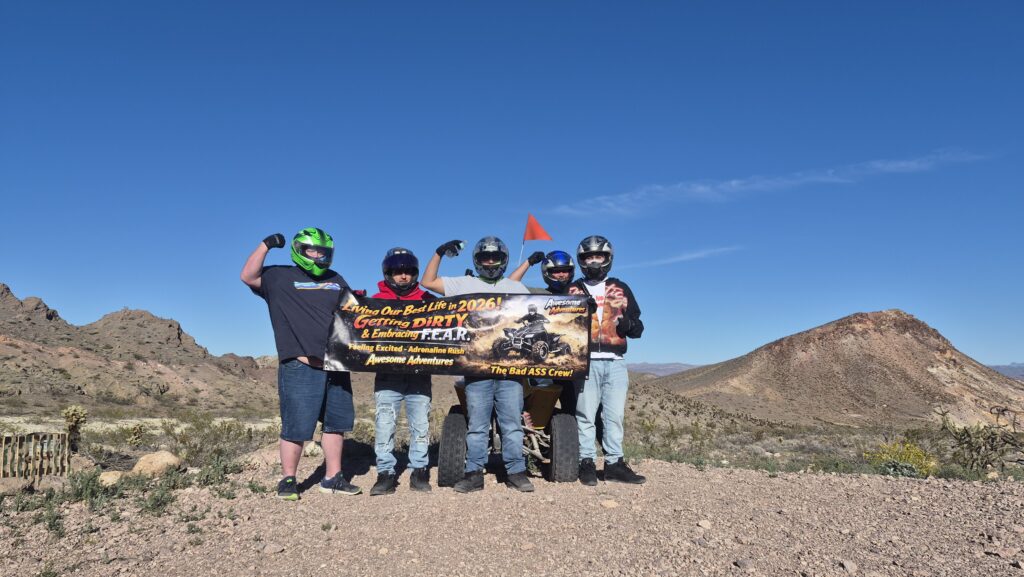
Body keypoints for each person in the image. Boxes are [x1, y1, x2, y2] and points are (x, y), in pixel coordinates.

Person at [240, 228, 360, 499]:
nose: (318, 256)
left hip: (335, 364)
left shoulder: (335, 279)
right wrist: (266, 244)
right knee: (296, 426)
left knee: (335, 424)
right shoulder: (278, 276)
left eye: (323, 252)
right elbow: (247, 275)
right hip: (300, 364)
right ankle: (288, 480)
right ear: (300, 250)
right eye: (313, 251)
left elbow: (353, 313)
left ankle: (333, 477)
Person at [420, 236, 534, 493]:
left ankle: (516, 471)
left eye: (495, 257)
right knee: (477, 426)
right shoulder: (464, 283)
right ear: (477, 260)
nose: (490, 261)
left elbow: (536, 316)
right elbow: (427, 282)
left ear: (504, 260)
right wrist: (438, 252)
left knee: (512, 424)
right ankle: (474, 473)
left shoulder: (516, 287)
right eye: (485, 258)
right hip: (475, 368)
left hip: (510, 368)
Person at [567, 235, 646, 486]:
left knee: (613, 416)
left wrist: (629, 324)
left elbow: (638, 326)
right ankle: (586, 463)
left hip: (615, 361)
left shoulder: (621, 288)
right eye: (588, 256)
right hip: (585, 360)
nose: (593, 261)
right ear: (581, 260)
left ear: (607, 259)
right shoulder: (572, 290)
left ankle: (614, 464)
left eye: (598, 256)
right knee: (586, 415)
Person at [369, 248, 435, 496]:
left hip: (420, 371)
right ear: (389, 274)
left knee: (420, 424)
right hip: (387, 372)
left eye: (408, 272)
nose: (403, 277)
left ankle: (419, 470)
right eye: (398, 272)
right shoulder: (375, 300)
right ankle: (385, 473)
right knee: (385, 423)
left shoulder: (427, 300)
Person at [510, 250, 580, 416]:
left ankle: (567, 438)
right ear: (546, 273)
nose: (561, 275)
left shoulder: (580, 294)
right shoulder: (539, 294)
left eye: (565, 270)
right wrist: (529, 262)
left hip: (568, 366)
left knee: (572, 409)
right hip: (540, 364)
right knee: (537, 405)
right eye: (556, 271)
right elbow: (511, 284)